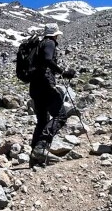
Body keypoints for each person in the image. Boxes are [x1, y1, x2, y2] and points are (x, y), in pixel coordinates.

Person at [29, 24, 76, 164]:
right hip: (45, 86)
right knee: (60, 116)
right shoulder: (49, 43)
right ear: (54, 34)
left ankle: (35, 155)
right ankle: (41, 146)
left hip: (35, 87)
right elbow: (48, 60)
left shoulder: (38, 45)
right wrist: (63, 72)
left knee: (42, 120)